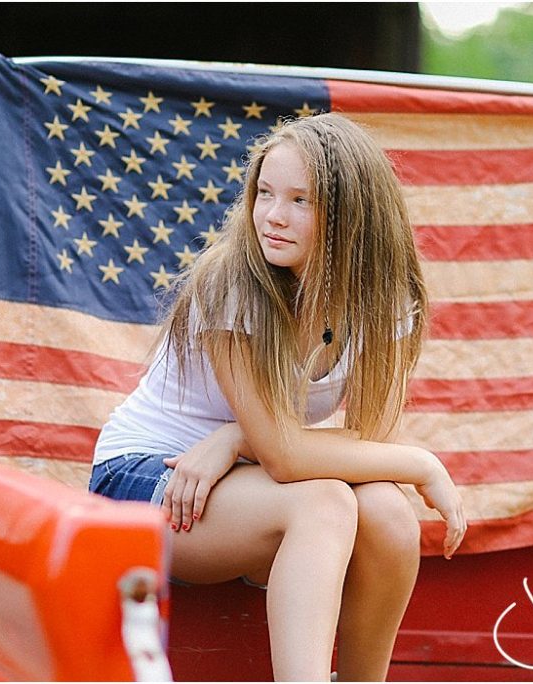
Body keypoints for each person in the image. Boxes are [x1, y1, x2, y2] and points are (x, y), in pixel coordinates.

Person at [89, 112, 467, 682]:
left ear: (350, 216)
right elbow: (289, 459)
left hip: (246, 485)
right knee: (323, 501)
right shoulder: (232, 283)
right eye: (265, 193)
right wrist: (423, 464)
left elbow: (365, 445)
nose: (272, 216)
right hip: (147, 481)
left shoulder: (384, 303)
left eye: (300, 200)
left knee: (387, 511)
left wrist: (239, 439)